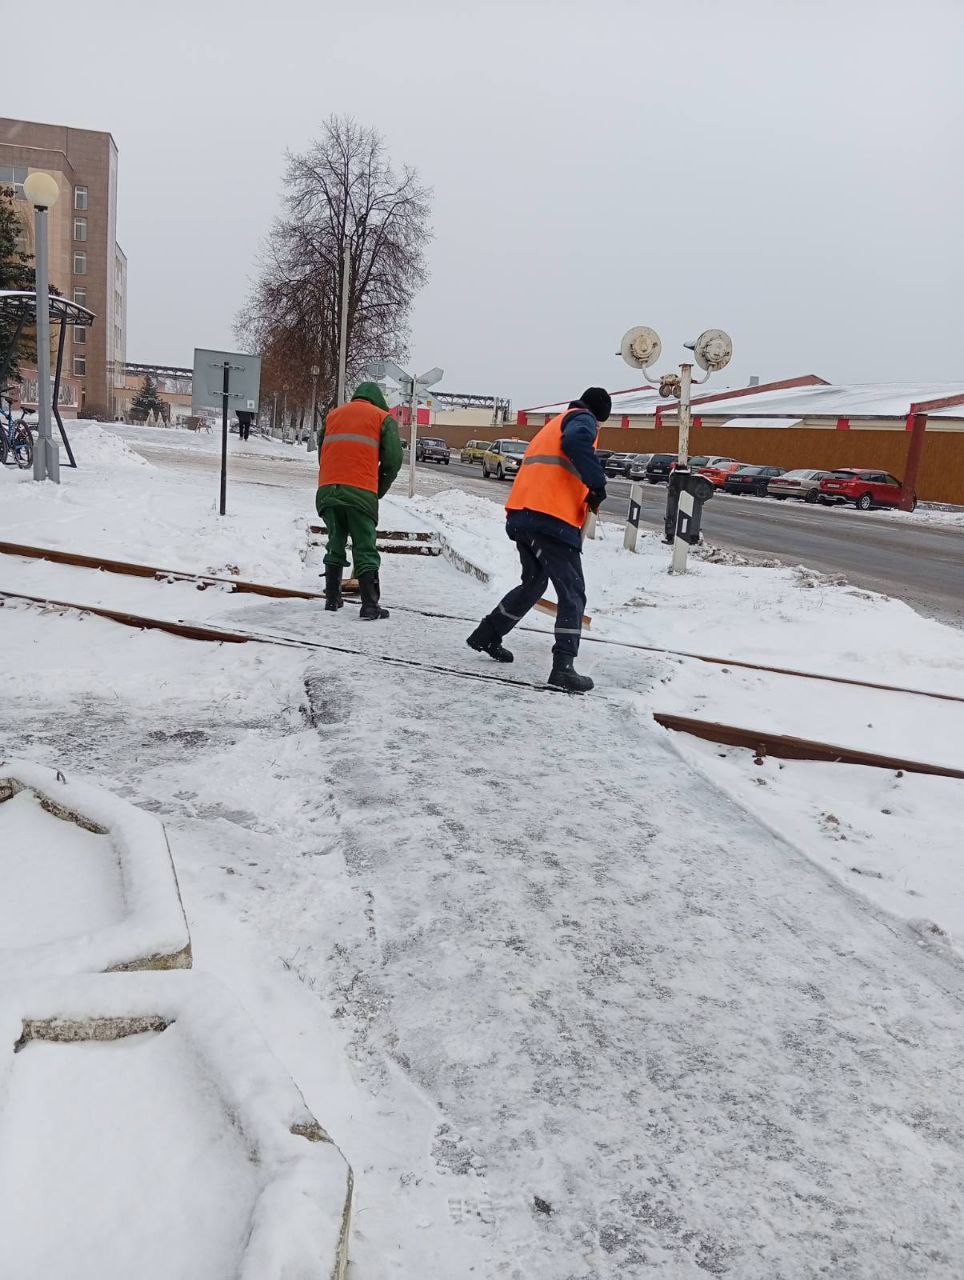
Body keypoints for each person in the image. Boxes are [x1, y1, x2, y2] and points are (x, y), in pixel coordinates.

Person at [466, 387, 611, 693]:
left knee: (534, 583)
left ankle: (487, 634)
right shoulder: (582, 419)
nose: (598, 428)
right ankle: (563, 667)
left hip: (524, 514)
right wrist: (597, 484)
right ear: (599, 415)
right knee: (573, 592)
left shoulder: (555, 423)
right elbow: (576, 443)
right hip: (551, 519)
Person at [317, 381, 403, 620]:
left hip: (328, 490)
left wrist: (331, 478)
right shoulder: (382, 418)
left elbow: (322, 452)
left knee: (335, 540)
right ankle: (370, 605)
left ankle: (332, 599)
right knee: (364, 546)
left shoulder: (333, 415)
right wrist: (377, 489)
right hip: (360, 491)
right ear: (378, 402)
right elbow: (393, 460)